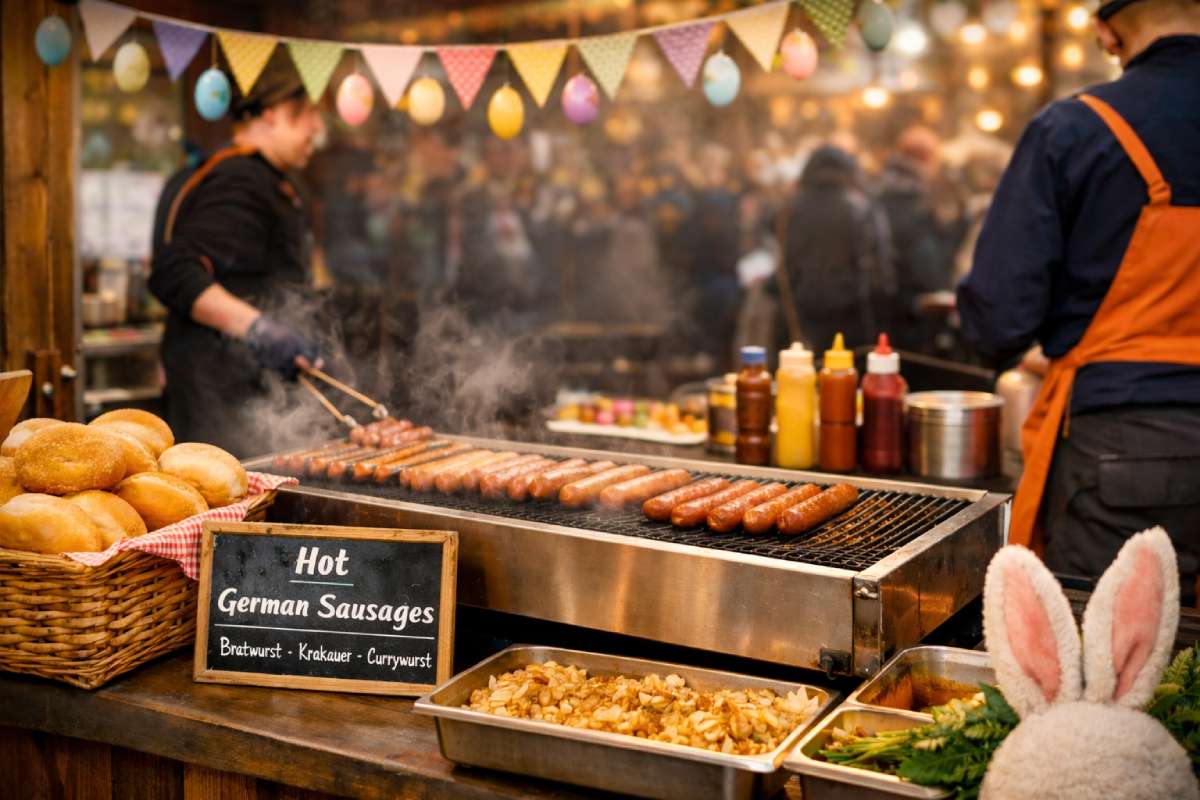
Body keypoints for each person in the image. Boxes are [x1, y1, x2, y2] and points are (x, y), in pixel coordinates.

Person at [956, 0, 1200, 602]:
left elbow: (999, 316)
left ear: (1106, 32)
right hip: (1135, 437)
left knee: (1115, 669)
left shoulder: (1077, 129)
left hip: (1130, 447)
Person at [149, 53, 327, 457]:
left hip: (240, 394)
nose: (317, 127)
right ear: (269, 114)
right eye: (306, 115)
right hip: (223, 402)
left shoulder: (247, 174)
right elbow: (175, 272)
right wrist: (261, 330)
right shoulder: (239, 181)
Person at [778, 145, 894, 351]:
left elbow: (787, 260)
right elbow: (879, 266)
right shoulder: (860, 206)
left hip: (804, 309)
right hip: (852, 312)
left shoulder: (791, 208)